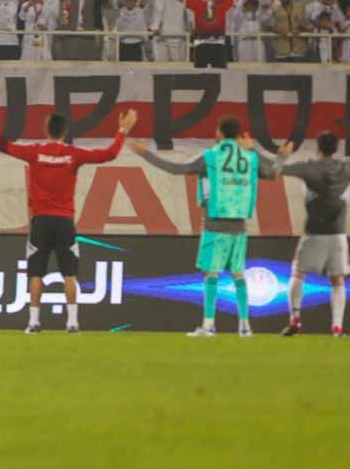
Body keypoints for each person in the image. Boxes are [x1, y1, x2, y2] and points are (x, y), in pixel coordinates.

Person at [133, 117, 283, 337]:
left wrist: (145, 153)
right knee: (238, 274)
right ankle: (244, 326)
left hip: (216, 222)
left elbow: (177, 169)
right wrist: (263, 152)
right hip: (239, 223)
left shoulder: (212, 156)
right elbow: (273, 173)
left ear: (221, 133)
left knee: (210, 273)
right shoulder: (250, 158)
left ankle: (209, 325)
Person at [0, 108, 133, 333]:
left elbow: (3, 145)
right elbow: (109, 154)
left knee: (36, 272)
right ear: (65, 131)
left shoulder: (34, 152)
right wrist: (123, 130)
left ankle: (33, 322)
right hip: (64, 222)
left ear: (46, 129)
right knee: (69, 273)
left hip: (41, 221)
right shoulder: (73, 154)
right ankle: (72, 322)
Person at [257, 131, 350, 336]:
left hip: (313, 233)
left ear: (318, 146)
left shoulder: (308, 167)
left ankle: (295, 320)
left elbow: (274, 172)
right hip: (338, 235)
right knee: (337, 280)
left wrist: (280, 156)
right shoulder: (345, 167)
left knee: (298, 274)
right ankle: (337, 327)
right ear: (336, 148)